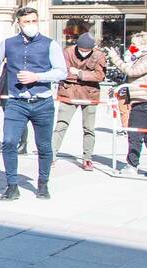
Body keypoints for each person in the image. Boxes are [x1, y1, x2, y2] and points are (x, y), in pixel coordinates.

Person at [0, 7, 67, 200]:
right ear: (18, 24)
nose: (31, 25)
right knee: (9, 142)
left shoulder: (50, 44)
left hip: (42, 102)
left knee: (44, 146)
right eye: (26, 22)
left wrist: (37, 76)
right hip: (16, 101)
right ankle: (12, 185)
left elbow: (61, 72)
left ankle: (43, 183)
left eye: (33, 21)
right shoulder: (8, 43)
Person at [54, 32, 106, 172]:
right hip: (68, 92)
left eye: (87, 51)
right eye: (82, 50)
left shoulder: (99, 55)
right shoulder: (67, 52)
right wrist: (85, 76)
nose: (84, 53)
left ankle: (87, 158)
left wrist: (79, 73)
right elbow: (62, 72)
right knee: (61, 125)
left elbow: (100, 76)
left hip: (90, 95)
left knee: (89, 128)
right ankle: (52, 155)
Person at [106, 31, 147, 177]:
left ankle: (132, 165)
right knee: (139, 134)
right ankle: (132, 163)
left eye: (134, 44)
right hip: (139, 101)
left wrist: (115, 59)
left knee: (135, 134)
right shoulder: (139, 57)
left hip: (143, 102)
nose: (132, 47)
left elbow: (132, 72)